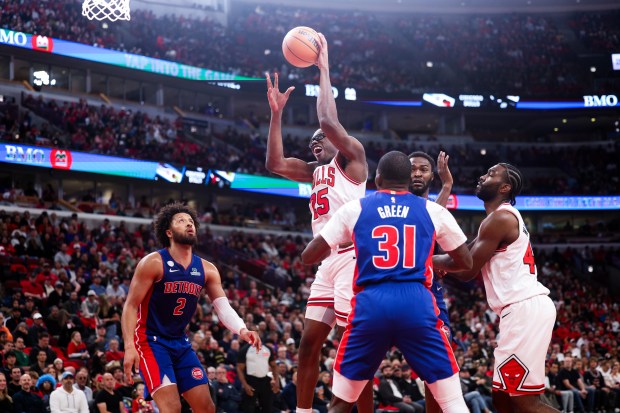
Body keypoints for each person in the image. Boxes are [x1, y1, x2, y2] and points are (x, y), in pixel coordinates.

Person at [301, 151, 472, 413]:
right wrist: (429, 261)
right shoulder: (432, 210)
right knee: (452, 403)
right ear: (407, 179)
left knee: (340, 405)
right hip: (416, 303)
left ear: (377, 179)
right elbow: (465, 262)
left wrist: (348, 238)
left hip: (371, 304)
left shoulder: (355, 208)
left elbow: (308, 256)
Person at [265, 33, 369, 413]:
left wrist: (323, 69)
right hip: (327, 261)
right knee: (309, 342)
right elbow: (274, 164)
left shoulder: (353, 158)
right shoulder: (313, 172)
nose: (314, 143)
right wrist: (276, 115)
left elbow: (327, 121)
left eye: (320, 140)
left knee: (351, 343)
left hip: (354, 257)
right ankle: (303, 411)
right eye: (310, 142)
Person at [434, 163, 558, 413]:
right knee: (502, 398)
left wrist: (415, 259)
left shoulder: (500, 218)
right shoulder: (495, 220)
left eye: (491, 174)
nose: (482, 176)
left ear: (504, 187)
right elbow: (458, 256)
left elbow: (467, 269)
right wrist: (423, 259)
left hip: (524, 310)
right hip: (520, 311)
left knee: (522, 400)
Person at [122, 202, 261, 413]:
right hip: (150, 341)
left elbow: (223, 307)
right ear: (168, 232)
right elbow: (131, 306)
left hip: (180, 342)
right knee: (172, 408)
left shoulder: (207, 269)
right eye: (181, 221)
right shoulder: (153, 263)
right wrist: (129, 346)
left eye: (191, 222)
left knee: (206, 407)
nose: (189, 225)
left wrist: (242, 329)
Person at [408, 150, 453, 413]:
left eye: (423, 169)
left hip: (429, 292)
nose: (416, 173)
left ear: (431, 175)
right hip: (394, 289)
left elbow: (434, 214)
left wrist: (447, 185)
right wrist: (436, 261)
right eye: (412, 168)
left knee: (436, 366)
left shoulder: (433, 210)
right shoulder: (391, 203)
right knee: (364, 364)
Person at [236, 342, 278, 413]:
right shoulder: (245, 349)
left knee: (268, 408)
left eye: (257, 331)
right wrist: (245, 385)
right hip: (250, 381)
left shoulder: (267, 348)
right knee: (249, 408)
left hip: (265, 380)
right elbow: (239, 368)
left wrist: (277, 381)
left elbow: (274, 366)